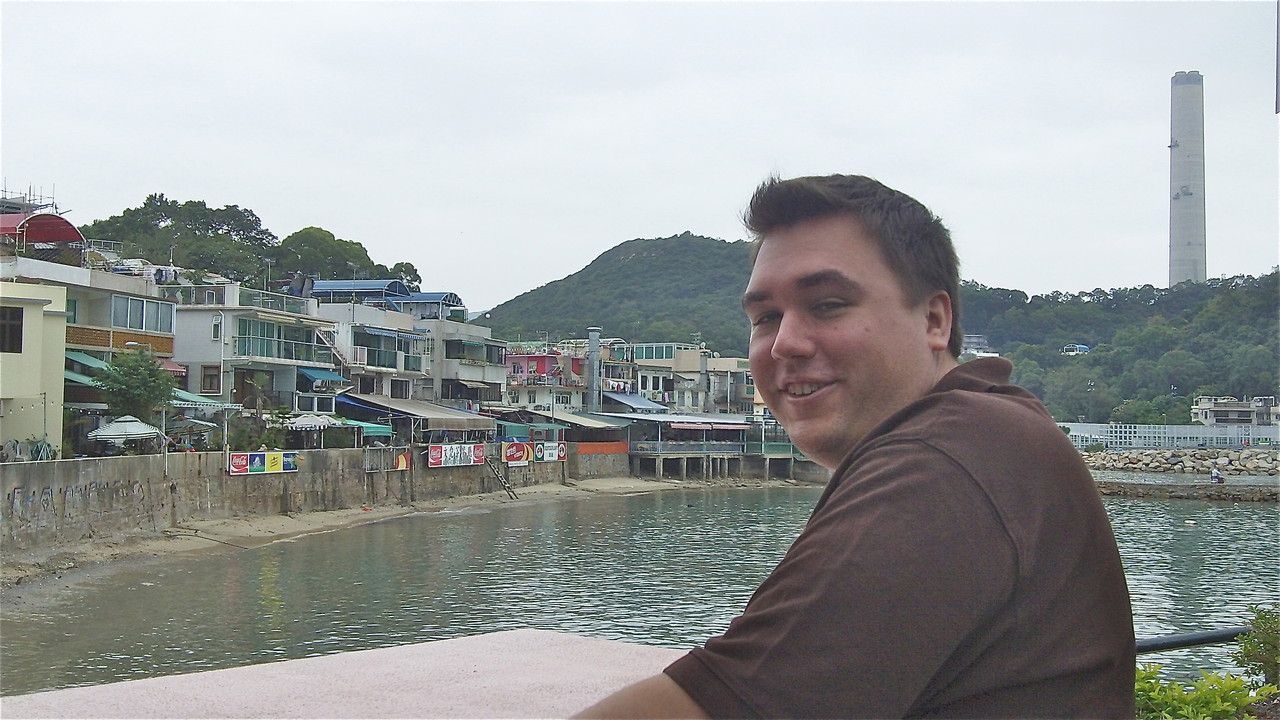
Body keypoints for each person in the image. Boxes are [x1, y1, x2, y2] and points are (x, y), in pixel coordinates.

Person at [574, 174, 1135, 718]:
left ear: (935, 320)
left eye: (829, 304)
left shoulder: (941, 462)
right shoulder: (986, 428)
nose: (785, 343)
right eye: (766, 317)